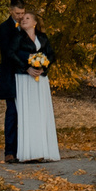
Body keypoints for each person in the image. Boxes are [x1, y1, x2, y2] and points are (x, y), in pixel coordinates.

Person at [12, 10, 61, 163]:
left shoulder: (43, 38)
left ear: (34, 22)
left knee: (41, 111)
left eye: (27, 18)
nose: (23, 20)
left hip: (40, 79)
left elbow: (51, 55)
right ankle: (29, 152)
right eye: (22, 18)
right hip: (24, 78)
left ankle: (44, 151)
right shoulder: (17, 37)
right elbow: (10, 54)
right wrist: (26, 68)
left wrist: (43, 67)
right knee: (28, 112)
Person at [0, 0, 35, 162]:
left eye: (23, 13)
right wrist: (26, 64)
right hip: (11, 76)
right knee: (12, 112)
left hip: (27, 77)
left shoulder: (28, 27)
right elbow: (8, 53)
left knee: (27, 113)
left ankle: (27, 150)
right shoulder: (3, 28)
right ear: (11, 11)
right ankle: (10, 151)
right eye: (17, 13)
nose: (20, 16)